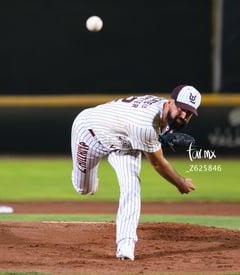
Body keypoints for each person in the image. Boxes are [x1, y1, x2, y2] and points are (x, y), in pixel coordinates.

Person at [70, 85, 201, 260]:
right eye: (181, 109)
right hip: (90, 134)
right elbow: (157, 164)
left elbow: (159, 131)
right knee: (83, 189)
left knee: (132, 187)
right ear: (170, 102)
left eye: (189, 113)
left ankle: (126, 245)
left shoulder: (167, 114)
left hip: (124, 145)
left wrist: (160, 137)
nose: (184, 115)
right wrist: (180, 182)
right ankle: (90, 182)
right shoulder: (145, 123)